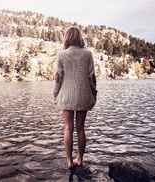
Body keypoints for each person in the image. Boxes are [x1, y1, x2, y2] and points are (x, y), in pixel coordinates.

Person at [53, 26, 97, 169]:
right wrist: (93, 94)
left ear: (67, 37)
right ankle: (80, 159)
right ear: (79, 37)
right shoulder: (87, 54)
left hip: (67, 96)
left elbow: (57, 78)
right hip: (83, 95)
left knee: (68, 128)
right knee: (80, 128)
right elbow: (92, 78)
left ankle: (69, 161)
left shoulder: (61, 55)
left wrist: (55, 95)